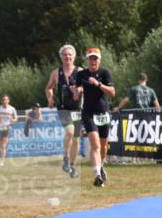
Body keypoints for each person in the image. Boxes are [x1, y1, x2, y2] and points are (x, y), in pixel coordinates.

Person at [75, 48, 115, 187]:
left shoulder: (105, 73)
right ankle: (97, 175)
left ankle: (101, 165)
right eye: (90, 58)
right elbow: (77, 89)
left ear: (99, 60)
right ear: (87, 60)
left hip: (103, 113)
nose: (93, 61)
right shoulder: (81, 74)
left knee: (103, 146)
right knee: (95, 145)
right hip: (88, 113)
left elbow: (112, 93)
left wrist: (98, 84)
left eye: (95, 58)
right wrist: (76, 92)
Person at [45, 44, 83, 177]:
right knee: (69, 131)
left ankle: (72, 166)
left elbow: (85, 87)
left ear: (74, 56)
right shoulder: (56, 73)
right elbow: (49, 88)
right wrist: (50, 98)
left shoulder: (80, 71)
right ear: (61, 57)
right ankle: (65, 157)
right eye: (65, 54)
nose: (67, 56)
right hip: (63, 108)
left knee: (77, 139)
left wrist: (79, 90)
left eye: (70, 54)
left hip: (77, 109)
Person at [0, 94, 18, 165]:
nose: (5, 101)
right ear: (1, 101)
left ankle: (2, 161)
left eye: (6, 100)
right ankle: (3, 153)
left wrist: (12, 120)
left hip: (7, 128)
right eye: (3, 100)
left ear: (9, 101)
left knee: (3, 145)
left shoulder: (12, 109)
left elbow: (16, 119)